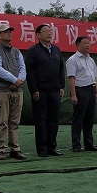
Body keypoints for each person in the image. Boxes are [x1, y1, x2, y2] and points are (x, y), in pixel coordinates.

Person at [24, 24, 65, 157]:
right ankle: (42, 149)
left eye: (50, 31)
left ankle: (52, 147)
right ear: (38, 35)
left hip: (55, 90)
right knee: (41, 120)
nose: (49, 33)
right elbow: (29, 72)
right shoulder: (33, 51)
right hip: (40, 91)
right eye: (46, 31)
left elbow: (61, 69)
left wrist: (61, 86)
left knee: (54, 119)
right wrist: (34, 89)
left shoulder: (57, 50)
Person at [0, 24, 27, 161]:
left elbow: (23, 68)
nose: (10, 33)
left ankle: (15, 149)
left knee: (15, 121)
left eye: (10, 31)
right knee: (3, 121)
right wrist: (15, 80)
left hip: (18, 90)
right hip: (2, 90)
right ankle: (1, 149)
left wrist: (19, 80)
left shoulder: (17, 51)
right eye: (6, 31)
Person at [66, 36, 97, 152]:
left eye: (89, 43)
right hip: (80, 90)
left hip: (91, 90)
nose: (88, 45)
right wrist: (73, 95)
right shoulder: (73, 60)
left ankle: (89, 144)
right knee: (78, 119)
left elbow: (95, 77)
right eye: (85, 43)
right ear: (77, 45)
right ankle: (76, 144)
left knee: (89, 118)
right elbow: (71, 78)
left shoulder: (90, 60)